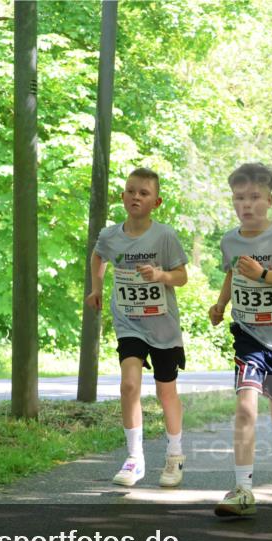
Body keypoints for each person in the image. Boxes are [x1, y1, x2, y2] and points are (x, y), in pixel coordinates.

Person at [208, 163, 272, 516]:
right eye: (239, 198)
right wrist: (221, 304)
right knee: (245, 407)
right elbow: (232, 273)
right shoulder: (230, 240)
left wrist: (265, 274)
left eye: (254, 198)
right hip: (249, 337)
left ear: (268, 200)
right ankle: (242, 488)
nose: (246, 205)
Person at [86, 168, 188, 488]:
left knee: (165, 392)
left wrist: (160, 276)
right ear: (122, 196)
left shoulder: (165, 236)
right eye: (131, 191)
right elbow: (98, 257)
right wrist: (97, 288)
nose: (136, 197)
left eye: (143, 193)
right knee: (129, 385)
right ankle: (134, 458)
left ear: (155, 202)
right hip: (129, 321)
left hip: (163, 326)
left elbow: (182, 276)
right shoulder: (111, 235)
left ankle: (174, 456)